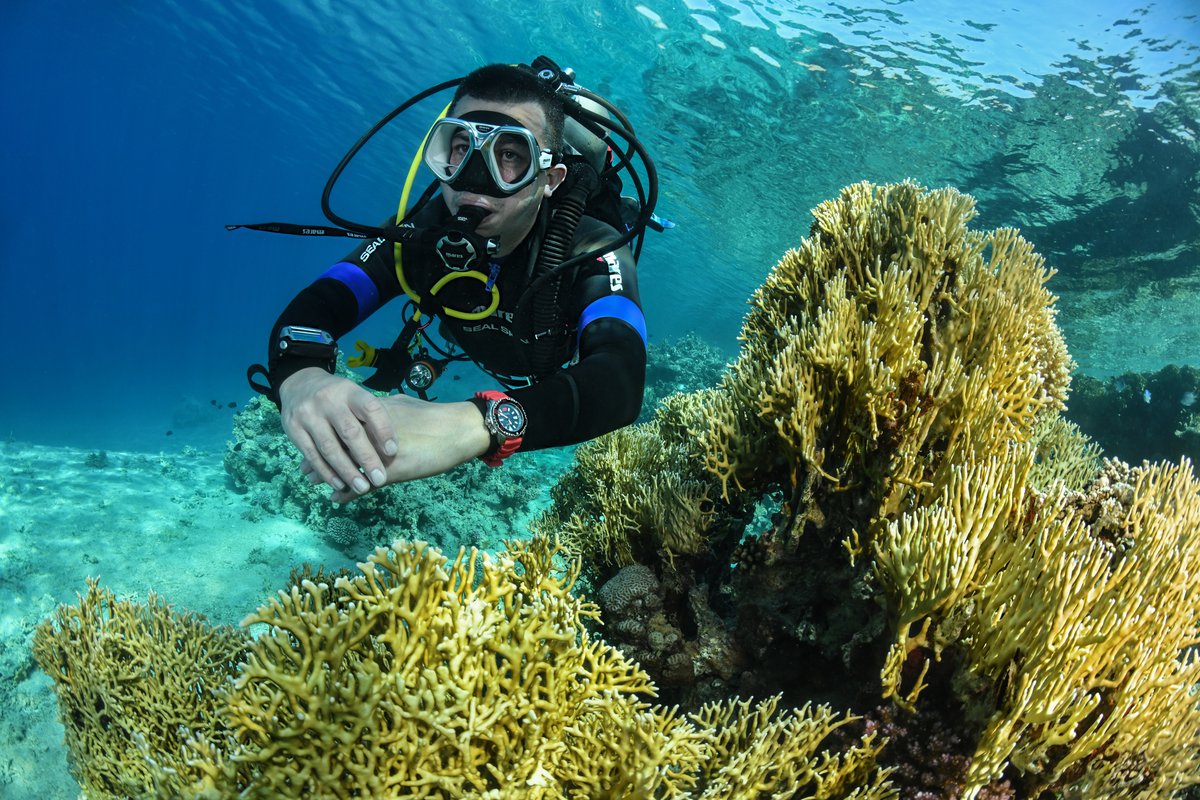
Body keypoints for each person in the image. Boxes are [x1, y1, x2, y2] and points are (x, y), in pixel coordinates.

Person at [255, 62, 649, 503]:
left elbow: (621, 376)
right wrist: (301, 377)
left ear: (550, 179)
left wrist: (475, 423)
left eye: (510, 155)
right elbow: (323, 301)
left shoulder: (594, 245)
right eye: (461, 148)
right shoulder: (418, 233)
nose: (475, 179)